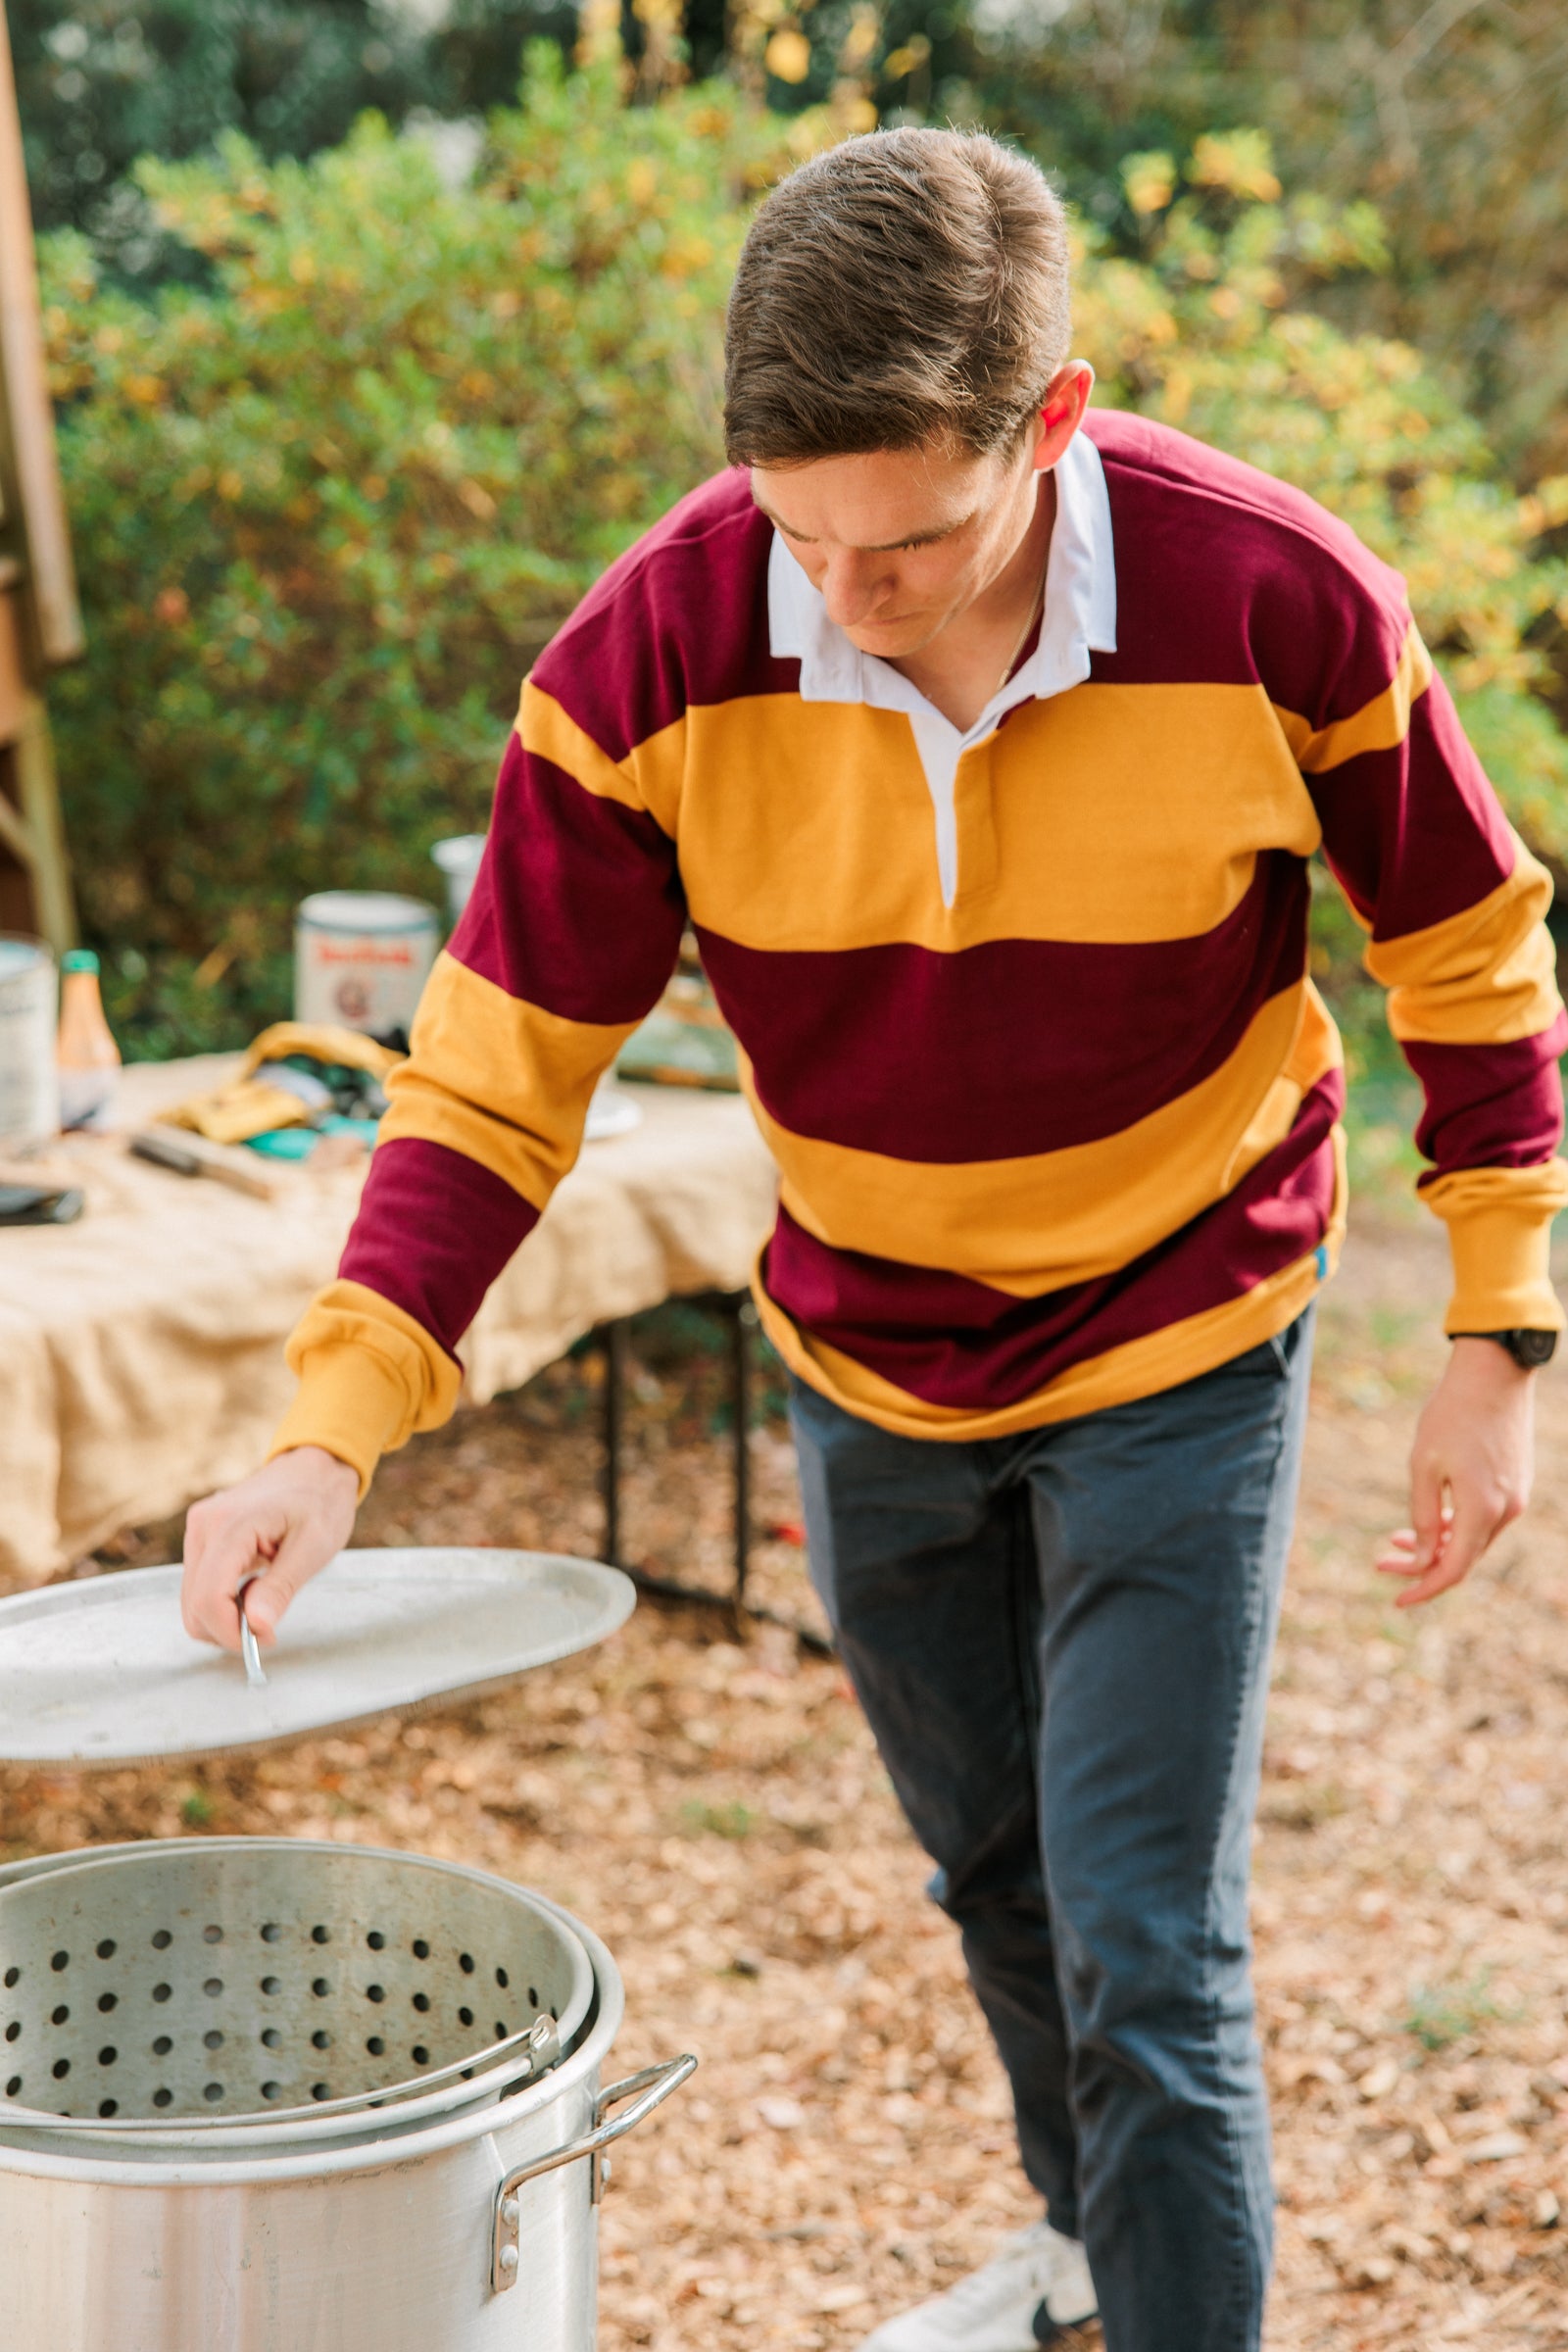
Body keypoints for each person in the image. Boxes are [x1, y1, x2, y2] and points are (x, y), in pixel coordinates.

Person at [181, 129, 1566, 2352]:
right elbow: (495, 1072)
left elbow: (1471, 952)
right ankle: (1075, 2251)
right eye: (799, 535)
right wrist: (328, 1437)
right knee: (994, 1878)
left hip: (1178, 1323)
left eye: (907, 537)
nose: (846, 591)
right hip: (864, 1353)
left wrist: (1495, 1329)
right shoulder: (652, 652)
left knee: (1141, 1936)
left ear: (1056, 419)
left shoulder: (1268, 597)